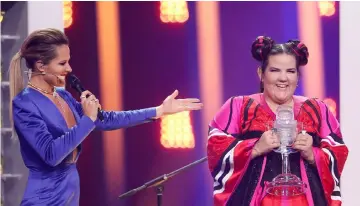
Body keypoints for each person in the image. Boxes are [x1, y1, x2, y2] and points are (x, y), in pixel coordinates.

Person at [9, 28, 203, 206]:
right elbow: (51, 155)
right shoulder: (25, 104)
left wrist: (158, 111)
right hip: (44, 197)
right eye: (62, 63)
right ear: (41, 66)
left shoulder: (62, 95)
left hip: (69, 192)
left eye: (68, 61)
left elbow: (104, 119)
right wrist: (87, 119)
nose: (69, 69)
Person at [206, 36, 348, 206]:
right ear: (261, 74)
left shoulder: (317, 109)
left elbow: (339, 153)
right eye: (274, 70)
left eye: (290, 71)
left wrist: (313, 154)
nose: (283, 78)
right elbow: (216, 150)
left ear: (298, 77)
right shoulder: (238, 107)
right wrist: (255, 148)